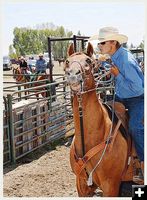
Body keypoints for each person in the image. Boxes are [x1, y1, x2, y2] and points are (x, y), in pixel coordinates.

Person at [90, 27, 144, 177]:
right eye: (99, 43)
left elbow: (138, 88)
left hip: (137, 98)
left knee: (135, 127)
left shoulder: (126, 61)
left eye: (102, 43)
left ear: (113, 42)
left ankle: (143, 163)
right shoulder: (113, 56)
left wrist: (118, 75)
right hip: (121, 96)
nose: (99, 46)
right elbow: (111, 68)